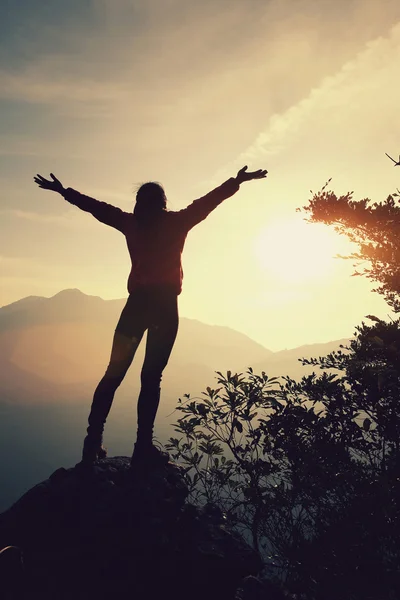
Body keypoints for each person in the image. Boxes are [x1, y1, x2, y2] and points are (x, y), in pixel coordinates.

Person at [33, 165, 268, 467]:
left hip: (136, 306)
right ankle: (143, 447)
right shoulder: (178, 222)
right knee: (151, 377)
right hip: (165, 308)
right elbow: (208, 202)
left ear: (139, 202)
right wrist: (236, 182)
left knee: (113, 372)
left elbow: (97, 208)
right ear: (163, 202)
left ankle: (92, 442)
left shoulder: (131, 224)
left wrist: (65, 192)